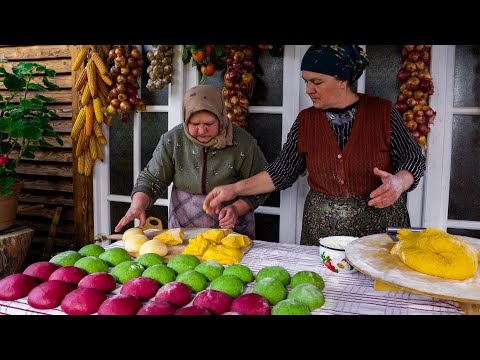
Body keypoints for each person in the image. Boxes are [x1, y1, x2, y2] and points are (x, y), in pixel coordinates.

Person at [204, 45, 427, 246]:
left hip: (378, 232)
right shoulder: (306, 121)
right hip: (322, 232)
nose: (309, 89)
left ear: (343, 80)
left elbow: (414, 158)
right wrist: (233, 189)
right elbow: (281, 172)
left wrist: (399, 182)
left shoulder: (382, 113)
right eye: (306, 82)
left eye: (317, 82)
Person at [114, 84, 269, 239]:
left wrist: (237, 208)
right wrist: (138, 204)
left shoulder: (243, 143)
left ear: (221, 117)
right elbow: (152, 179)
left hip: (231, 227)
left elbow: (262, 185)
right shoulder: (172, 140)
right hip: (183, 225)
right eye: (194, 124)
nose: (201, 131)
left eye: (208, 124)